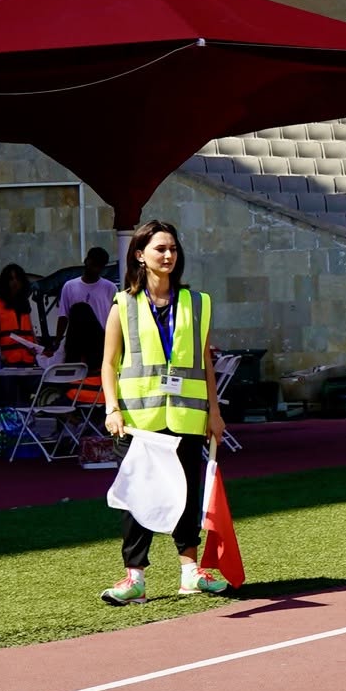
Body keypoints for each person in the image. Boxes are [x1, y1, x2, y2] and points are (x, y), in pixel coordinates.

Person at [99, 221, 230, 605]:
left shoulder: (197, 303)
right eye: (160, 249)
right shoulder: (123, 304)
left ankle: (190, 573)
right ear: (140, 254)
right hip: (138, 421)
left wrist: (215, 412)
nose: (169, 255)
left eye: (173, 248)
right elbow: (108, 363)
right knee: (137, 498)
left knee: (187, 495)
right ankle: (134, 578)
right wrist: (112, 408)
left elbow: (205, 361)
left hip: (187, 418)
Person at [45, 246, 115, 360]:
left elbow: (114, 319)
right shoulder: (70, 286)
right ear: (87, 261)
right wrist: (57, 342)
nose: (95, 269)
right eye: (93, 265)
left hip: (100, 343)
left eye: (99, 266)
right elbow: (63, 316)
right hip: (75, 342)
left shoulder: (110, 288)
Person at [0, 263, 39, 407]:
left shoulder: (24, 302)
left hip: (25, 358)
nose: (14, 282)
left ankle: (21, 428)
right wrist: (0, 352)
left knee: (23, 400)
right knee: (6, 400)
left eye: (17, 279)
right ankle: (6, 428)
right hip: (5, 361)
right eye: (11, 279)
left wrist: (36, 347)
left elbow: (29, 328)